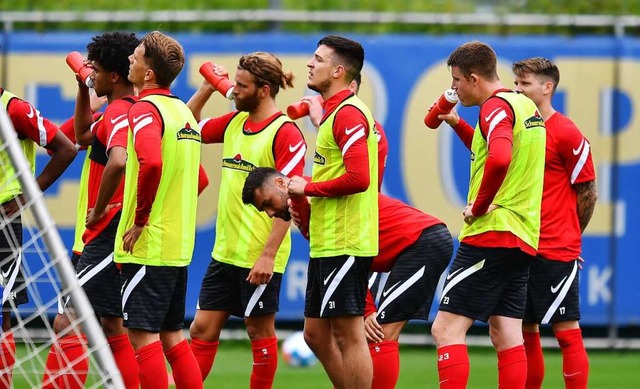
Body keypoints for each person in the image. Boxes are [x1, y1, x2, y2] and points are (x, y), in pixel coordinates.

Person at [242, 167, 453, 388]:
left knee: (379, 334)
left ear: (281, 183)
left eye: (267, 203)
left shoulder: (315, 197)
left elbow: (348, 252)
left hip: (422, 243)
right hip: (381, 253)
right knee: (314, 334)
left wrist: (367, 308)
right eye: (262, 209)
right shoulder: (299, 203)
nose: (269, 213)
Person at [430, 41, 546, 388]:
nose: (453, 89)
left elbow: (499, 159)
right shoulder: (523, 104)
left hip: (492, 231)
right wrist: (455, 123)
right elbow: (491, 151)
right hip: (523, 235)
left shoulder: (493, 108)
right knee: (506, 333)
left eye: (456, 81)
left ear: (474, 78)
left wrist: (478, 207)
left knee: (446, 328)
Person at [186, 52, 305, 387]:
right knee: (201, 329)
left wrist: (267, 255)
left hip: (258, 256)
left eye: (241, 86)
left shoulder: (285, 133)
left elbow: (289, 199)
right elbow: (187, 127)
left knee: (258, 331)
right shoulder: (234, 122)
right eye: (234, 83)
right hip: (225, 252)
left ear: (264, 90)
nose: (233, 91)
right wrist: (208, 88)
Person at [41, 31, 141, 389]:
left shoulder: (119, 113)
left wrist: (104, 210)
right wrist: (83, 88)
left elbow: (114, 160)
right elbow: (82, 137)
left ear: (114, 76)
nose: (91, 73)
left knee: (68, 321)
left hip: (105, 233)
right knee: (114, 327)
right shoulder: (125, 110)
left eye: (95, 70)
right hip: (103, 235)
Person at [286, 35, 379, 388]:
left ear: (339, 71)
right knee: (314, 333)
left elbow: (359, 178)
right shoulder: (334, 114)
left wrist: (305, 187)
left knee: (348, 333)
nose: (310, 63)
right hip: (328, 241)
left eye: (318, 58)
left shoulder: (349, 113)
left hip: (346, 239)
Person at [114, 30, 203, 389]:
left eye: (135, 58)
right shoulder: (182, 111)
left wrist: (140, 220)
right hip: (177, 245)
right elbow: (199, 178)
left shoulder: (145, 110)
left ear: (148, 74)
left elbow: (150, 163)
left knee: (143, 337)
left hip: (150, 245)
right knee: (173, 337)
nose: (130, 62)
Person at [512, 57, 597, 389]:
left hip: (555, 248)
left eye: (525, 84)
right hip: (522, 243)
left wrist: (571, 237)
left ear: (547, 88)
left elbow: (588, 190)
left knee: (566, 331)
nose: (517, 89)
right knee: (524, 330)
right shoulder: (522, 126)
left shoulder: (566, 131)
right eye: (516, 83)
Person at [0, 87, 77, 388]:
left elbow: (67, 148)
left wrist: (26, 197)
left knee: (1, 315)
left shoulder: (15, 109)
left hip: (2, 226)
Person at [303, 72, 388, 189]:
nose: (311, 64)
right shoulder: (352, 121)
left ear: (351, 86)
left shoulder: (353, 121)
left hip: (351, 206)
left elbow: (356, 180)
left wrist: (306, 188)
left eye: (331, 84)